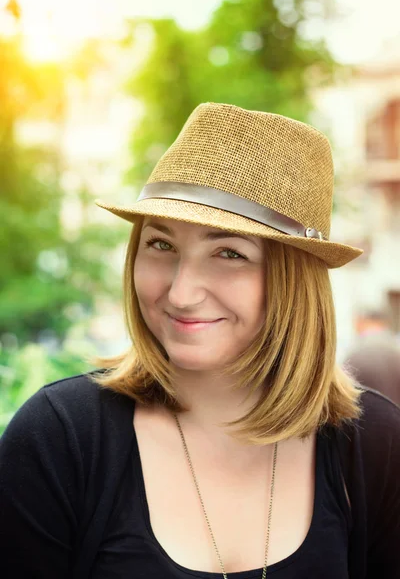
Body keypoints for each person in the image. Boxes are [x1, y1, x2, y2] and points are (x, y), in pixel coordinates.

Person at [1, 102, 399, 579]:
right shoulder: (59, 438)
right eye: (161, 244)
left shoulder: (375, 444)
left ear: (296, 283)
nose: (181, 292)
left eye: (229, 253)